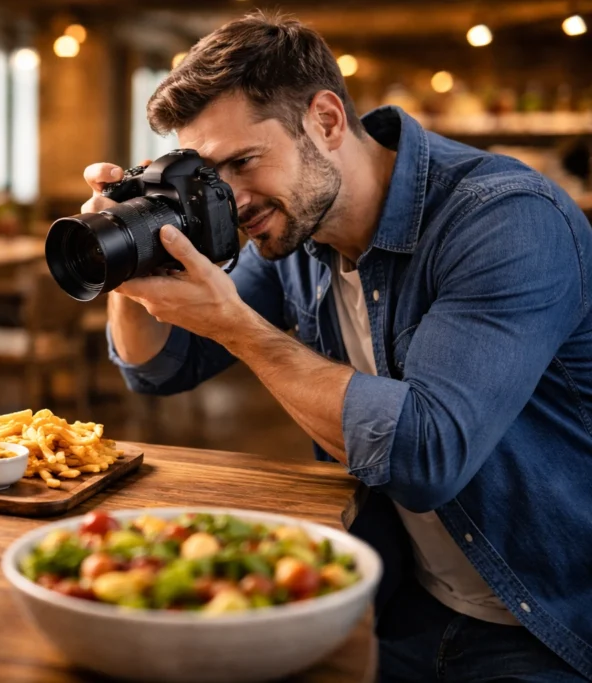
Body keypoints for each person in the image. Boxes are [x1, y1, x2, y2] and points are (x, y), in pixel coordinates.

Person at [88, 11, 592, 683]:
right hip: (397, 595)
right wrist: (130, 261)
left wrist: (240, 326)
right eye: (211, 177)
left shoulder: (505, 218)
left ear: (326, 120)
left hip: (546, 623)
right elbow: (161, 367)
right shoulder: (292, 227)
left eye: (243, 162)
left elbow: (426, 452)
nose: (231, 200)